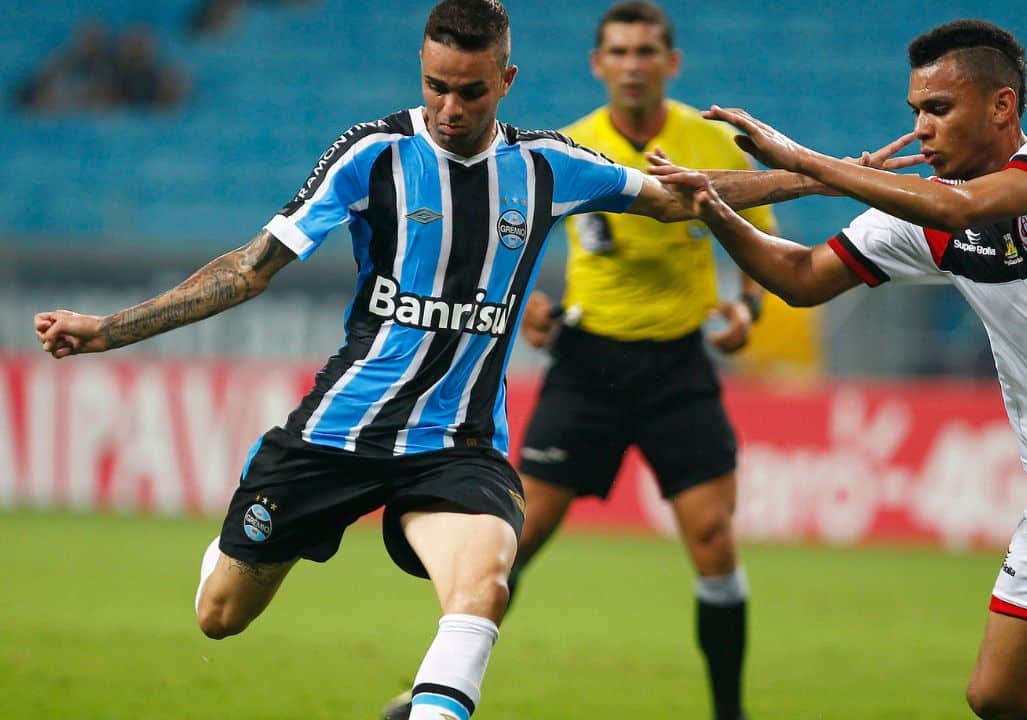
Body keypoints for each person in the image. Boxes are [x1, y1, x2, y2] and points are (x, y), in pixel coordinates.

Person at [31, 2, 820, 719]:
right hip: (335, 437)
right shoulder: (371, 155)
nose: (450, 108)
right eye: (436, 86)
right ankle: (254, 524)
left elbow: (682, 194)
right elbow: (250, 268)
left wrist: (826, 173)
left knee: (485, 585)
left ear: (506, 80)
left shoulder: (547, 165)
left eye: (472, 91)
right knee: (220, 616)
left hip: (454, 448)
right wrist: (107, 331)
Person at [651, 18, 1027, 720]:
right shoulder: (920, 217)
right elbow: (801, 277)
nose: (922, 128)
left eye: (938, 109)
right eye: (915, 111)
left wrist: (806, 160)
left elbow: (964, 204)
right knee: (999, 696)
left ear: (1002, 106)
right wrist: (717, 209)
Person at [383, 3, 775, 719]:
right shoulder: (570, 147)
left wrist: (749, 309)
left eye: (646, 51)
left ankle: (729, 713)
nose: (632, 64)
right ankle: (432, 690)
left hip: (678, 367)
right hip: (588, 363)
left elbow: (757, 241)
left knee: (715, 540)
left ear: (670, 63)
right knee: (513, 539)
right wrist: (524, 306)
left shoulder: (708, 140)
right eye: (618, 52)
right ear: (599, 64)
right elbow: (509, 232)